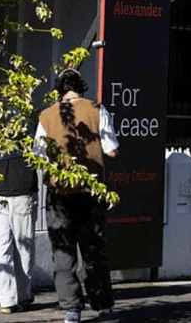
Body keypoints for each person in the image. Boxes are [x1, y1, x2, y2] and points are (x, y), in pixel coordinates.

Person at [34, 68, 119, 323]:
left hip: (60, 192)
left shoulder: (46, 115)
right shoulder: (97, 109)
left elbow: (38, 154)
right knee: (94, 250)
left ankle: (72, 309)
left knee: (63, 251)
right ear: (81, 86)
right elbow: (112, 150)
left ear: (59, 89)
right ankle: (102, 305)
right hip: (91, 190)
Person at [0, 148, 38, 314]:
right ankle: (23, 295)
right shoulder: (30, 121)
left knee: (0, 246)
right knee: (24, 245)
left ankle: (7, 300)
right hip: (22, 185)